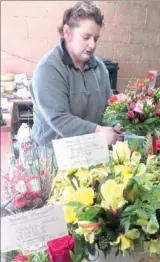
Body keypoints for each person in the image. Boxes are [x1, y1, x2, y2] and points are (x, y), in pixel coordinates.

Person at [29, 1, 123, 155]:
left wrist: (117, 123)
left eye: (96, 38)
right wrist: (98, 131)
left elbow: (109, 107)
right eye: (86, 37)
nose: (92, 45)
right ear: (67, 32)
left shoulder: (99, 67)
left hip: (90, 149)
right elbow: (60, 119)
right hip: (54, 155)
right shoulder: (48, 69)